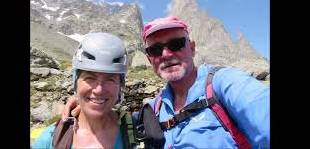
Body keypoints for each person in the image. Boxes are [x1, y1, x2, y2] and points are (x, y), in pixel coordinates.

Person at [63, 17, 270, 148]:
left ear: (193, 48)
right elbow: (112, 115)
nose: (166, 54)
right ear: (149, 59)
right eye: (155, 49)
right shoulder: (154, 109)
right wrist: (84, 102)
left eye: (176, 44)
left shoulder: (224, 83)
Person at [32, 32, 132, 149]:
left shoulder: (141, 132)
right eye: (90, 78)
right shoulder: (50, 139)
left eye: (110, 79)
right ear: (75, 82)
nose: (99, 90)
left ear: (121, 85)